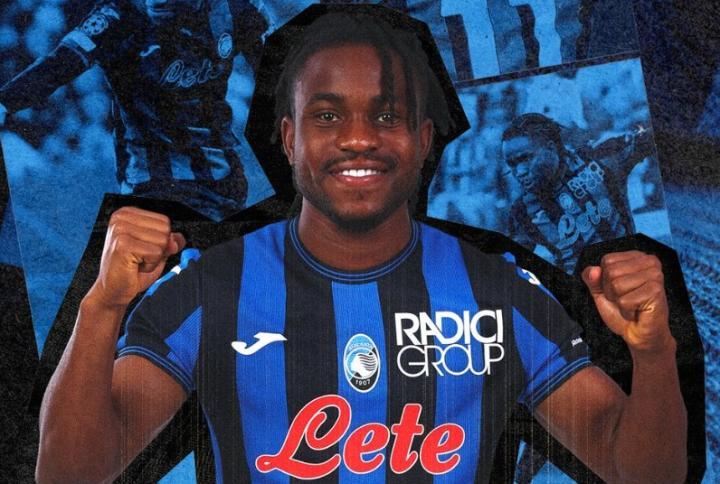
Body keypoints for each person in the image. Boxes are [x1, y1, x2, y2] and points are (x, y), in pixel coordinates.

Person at [35, 10, 686, 483]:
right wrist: (101, 307)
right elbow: (70, 473)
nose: (357, 138)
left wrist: (654, 351)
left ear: (424, 140)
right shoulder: (209, 286)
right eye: (327, 115)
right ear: (288, 140)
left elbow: (634, 469)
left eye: (387, 114)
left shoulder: (499, 290)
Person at [0, 0, 268, 221]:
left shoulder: (235, 9)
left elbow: (278, 69)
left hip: (222, 179)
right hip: (153, 182)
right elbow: (60, 62)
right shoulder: (118, 14)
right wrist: (4, 103)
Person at [502, 112, 655, 273]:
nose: (519, 172)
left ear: (551, 147)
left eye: (525, 158)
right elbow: (510, 270)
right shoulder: (522, 211)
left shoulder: (600, 157)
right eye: (512, 164)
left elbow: (653, 137)